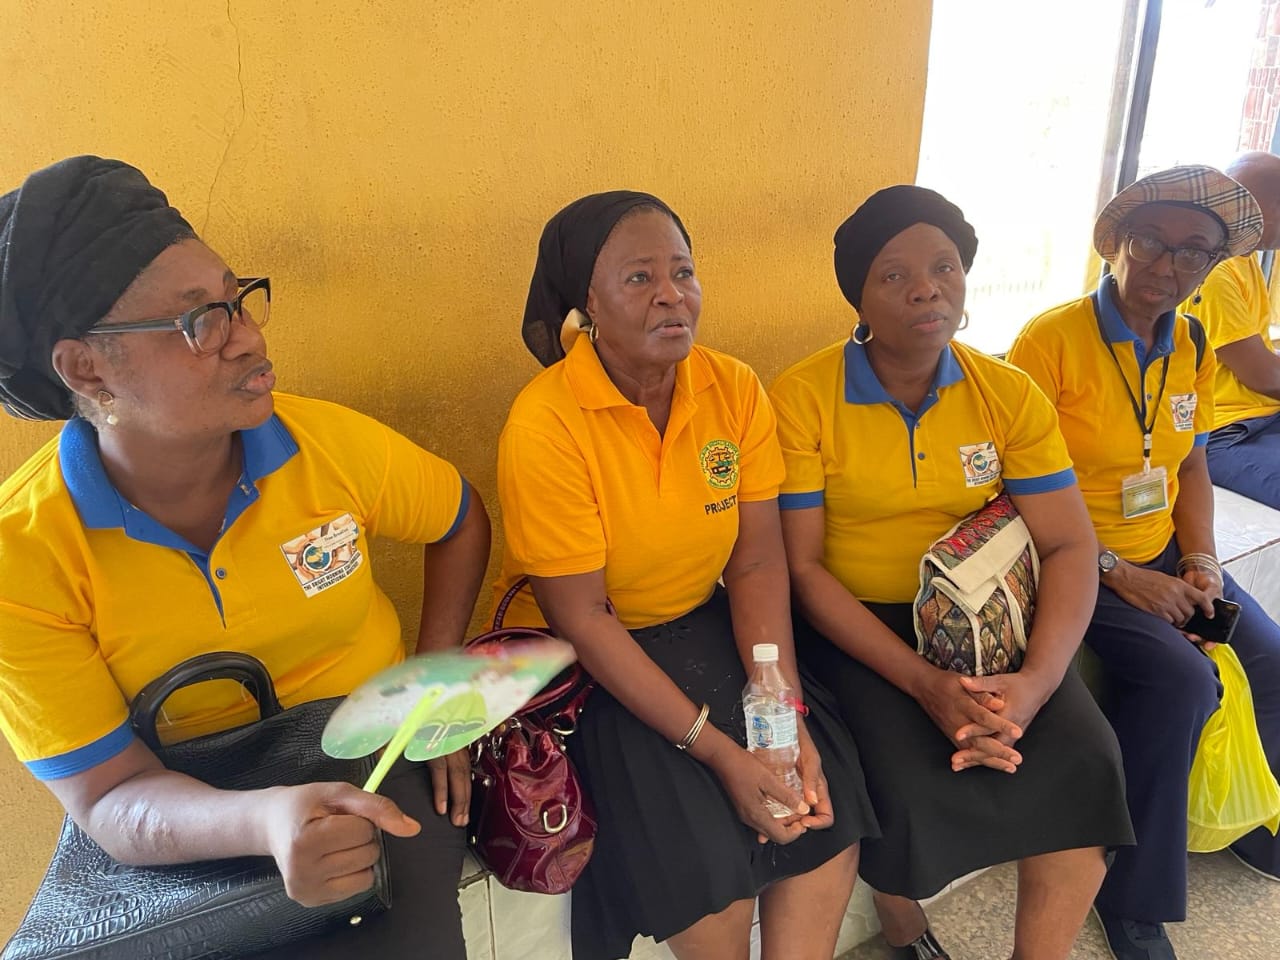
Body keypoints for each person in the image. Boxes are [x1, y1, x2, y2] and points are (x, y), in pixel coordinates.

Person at [0, 156, 491, 960]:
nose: (249, 337)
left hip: (367, 756)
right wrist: (264, 822)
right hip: (185, 805)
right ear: (87, 368)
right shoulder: (23, 557)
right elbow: (110, 796)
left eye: (238, 300)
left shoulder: (323, 448)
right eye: (199, 321)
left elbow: (459, 517)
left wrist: (436, 687)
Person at [494, 190, 876, 960]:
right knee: (699, 858)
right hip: (595, 660)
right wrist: (721, 752)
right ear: (586, 305)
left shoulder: (731, 388)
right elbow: (586, 618)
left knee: (819, 805)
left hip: (710, 623)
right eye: (639, 278)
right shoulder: (545, 425)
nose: (673, 294)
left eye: (684, 271)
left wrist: (783, 713)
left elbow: (759, 558)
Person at [771, 185, 1134, 960]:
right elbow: (801, 569)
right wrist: (919, 681)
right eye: (894, 274)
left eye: (943, 267)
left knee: (1086, 760)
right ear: (861, 299)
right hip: (858, 625)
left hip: (991, 623)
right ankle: (904, 926)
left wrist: (1034, 683)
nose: (925, 288)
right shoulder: (803, 398)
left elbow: (1070, 546)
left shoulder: (1007, 394)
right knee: (897, 781)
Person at [1008, 165, 1280, 960]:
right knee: (1181, 678)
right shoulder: (1049, 342)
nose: (1169, 266)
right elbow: (1016, 489)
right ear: (1116, 244)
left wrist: (1200, 556)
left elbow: (1191, 464)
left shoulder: (1190, 341)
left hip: (1162, 546)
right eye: (1151, 243)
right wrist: (1119, 573)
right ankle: (1132, 897)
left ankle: (1245, 821)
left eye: (1194, 253)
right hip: (1073, 559)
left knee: (1269, 657)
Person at [1177, 151, 1280, 509]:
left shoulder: (1246, 259)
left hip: (1262, 418)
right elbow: (1262, 374)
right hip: (1226, 432)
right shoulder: (1217, 270)